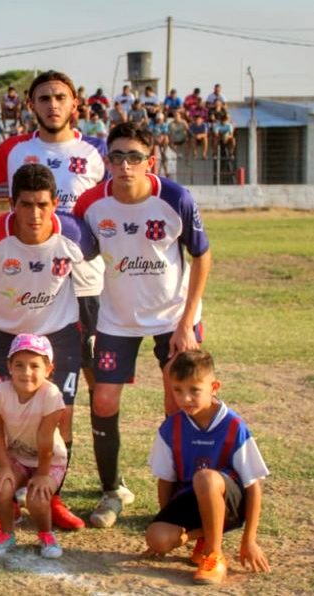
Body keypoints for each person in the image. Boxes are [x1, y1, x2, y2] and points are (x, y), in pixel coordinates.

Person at [73, 122, 212, 529]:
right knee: (103, 400)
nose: (125, 165)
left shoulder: (175, 198)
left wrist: (187, 321)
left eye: (134, 157)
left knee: (179, 403)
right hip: (117, 318)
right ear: (107, 161)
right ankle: (112, 490)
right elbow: (76, 247)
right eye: (117, 157)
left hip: (173, 318)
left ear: (149, 161)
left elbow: (202, 256)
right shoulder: (91, 204)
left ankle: (184, 490)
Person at [0, 163, 95, 532]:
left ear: (54, 204)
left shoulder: (75, 234)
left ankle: (51, 495)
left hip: (57, 333)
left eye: (42, 205)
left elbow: (105, 258)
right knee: (3, 415)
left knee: (60, 417)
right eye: (25, 205)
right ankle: (4, 496)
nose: (34, 214)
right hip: (2, 335)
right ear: (11, 204)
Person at [144, 350, 270, 585]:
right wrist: (169, 520)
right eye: (178, 390)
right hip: (193, 501)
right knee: (156, 538)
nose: (185, 399)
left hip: (231, 505)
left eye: (194, 390)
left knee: (205, 478)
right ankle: (206, 534)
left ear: (214, 387)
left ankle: (214, 555)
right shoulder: (171, 428)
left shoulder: (233, 426)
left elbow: (253, 487)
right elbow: (166, 481)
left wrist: (249, 540)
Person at [0, 334, 68, 560]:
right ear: (9, 367)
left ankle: (46, 535)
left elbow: (45, 438)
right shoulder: (1, 392)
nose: (26, 372)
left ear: (49, 369)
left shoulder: (51, 394)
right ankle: (6, 534)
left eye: (34, 366)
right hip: (18, 457)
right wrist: (4, 466)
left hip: (49, 461)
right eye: (19, 365)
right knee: (0, 487)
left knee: (36, 497)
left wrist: (42, 474)